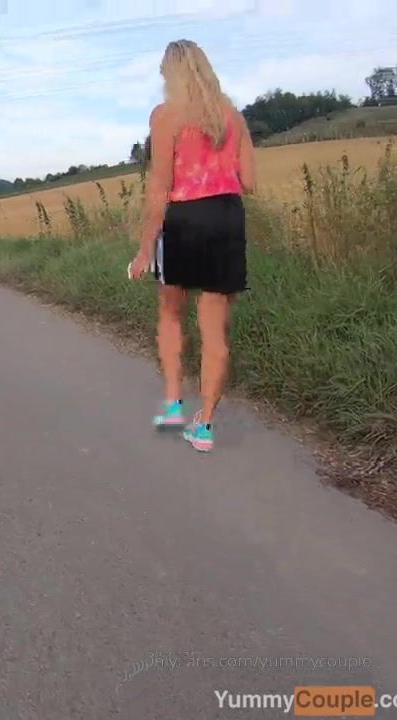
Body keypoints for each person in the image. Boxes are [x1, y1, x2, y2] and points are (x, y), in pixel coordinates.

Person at [128, 39, 256, 453]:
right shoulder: (233, 116)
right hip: (227, 215)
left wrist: (145, 249)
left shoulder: (166, 116)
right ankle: (205, 425)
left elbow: (159, 186)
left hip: (184, 219)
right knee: (214, 328)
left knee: (170, 312)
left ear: (170, 73)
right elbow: (250, 181)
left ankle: (172, 404)